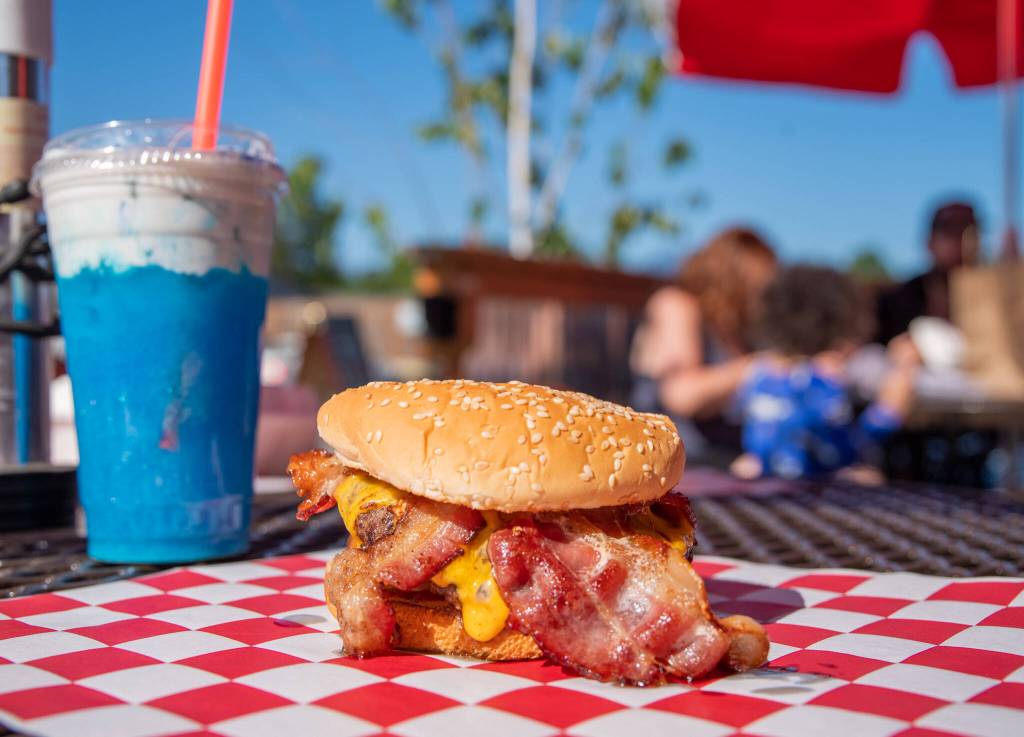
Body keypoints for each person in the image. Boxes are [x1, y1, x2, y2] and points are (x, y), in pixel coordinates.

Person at [734, 266, 918, 480]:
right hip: (807, 489)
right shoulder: (819, 381)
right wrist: (889, 409)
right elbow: (841, 450)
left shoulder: (759, 372)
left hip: (766, 481)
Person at [630, 227, 778, 463]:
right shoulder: (677, 305)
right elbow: (681, 394)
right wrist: (757, 365)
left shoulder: (734, 328)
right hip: (678, 460)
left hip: (728, 456)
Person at [875, 201, 979, 345]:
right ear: (929, 242)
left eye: (969, 233)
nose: (961, 243)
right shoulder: (897, 302)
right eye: (950, 233)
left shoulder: (995, 298)